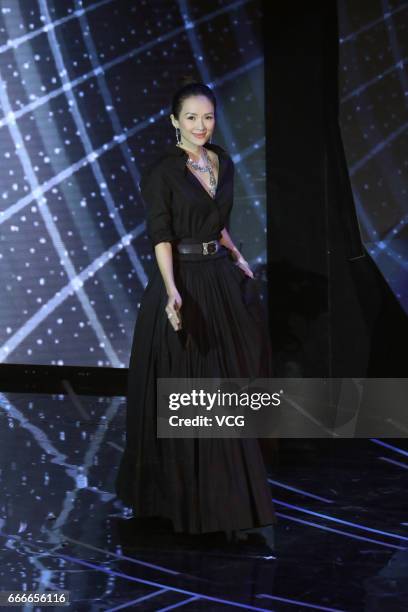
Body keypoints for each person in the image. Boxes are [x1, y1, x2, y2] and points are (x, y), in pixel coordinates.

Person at [115, 79, 277, 548]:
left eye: (207, 116)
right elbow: (161, 234)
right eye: (191, 117)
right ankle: (182, 499)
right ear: (174, 122)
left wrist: (236, 255)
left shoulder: (221, 161)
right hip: (183, 281)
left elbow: (217, 221)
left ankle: (227, 498)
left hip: (218, 278)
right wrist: (171, 291)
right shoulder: (162, 171)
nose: (201, 125)